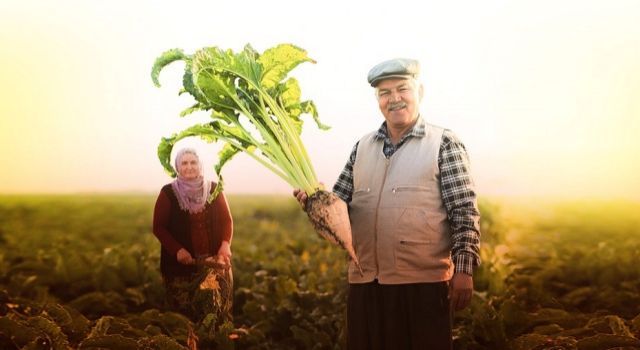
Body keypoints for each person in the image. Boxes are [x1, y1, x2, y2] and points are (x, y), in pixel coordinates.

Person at [294, 58, 481, 349]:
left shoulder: (443, 143)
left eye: (402, 89)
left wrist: (464, 270)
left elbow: (464, 210)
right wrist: (314, 199)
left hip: (422, 284)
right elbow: (339, 204)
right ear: (377, 99)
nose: (394, 99)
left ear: (420, 91)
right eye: (384, 93)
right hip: (365, 282)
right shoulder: (362, 147)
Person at [152, 147, 234, 324]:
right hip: (180, 270)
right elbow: (158, 227)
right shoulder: (168, 193)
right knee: (184, 319)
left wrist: (225, 244)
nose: (189, 167)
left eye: (193, 162)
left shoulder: (214, 189)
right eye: (184, 163)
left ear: (200, 165)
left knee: (211, 312)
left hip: (211, 266)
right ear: (177, 167)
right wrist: (178, 250)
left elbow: (227, 221)